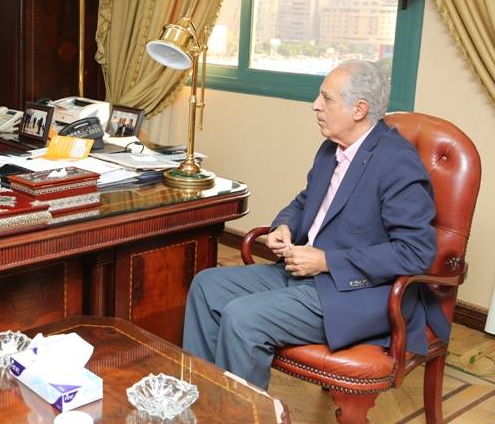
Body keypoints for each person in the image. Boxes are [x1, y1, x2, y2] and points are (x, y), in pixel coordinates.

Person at [182, 60, 448, 390]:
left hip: (357, 293)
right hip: (305, 276)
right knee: (206, 286)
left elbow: (415, 252)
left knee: (243, 317)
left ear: (359, 109)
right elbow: (306, 201)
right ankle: (205, 401)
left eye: (327, 98)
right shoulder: (331, 149)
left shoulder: (398, 162)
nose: (315, 105)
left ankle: (244, 412)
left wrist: (326, 261)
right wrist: (284, 227)